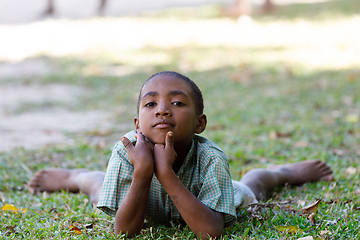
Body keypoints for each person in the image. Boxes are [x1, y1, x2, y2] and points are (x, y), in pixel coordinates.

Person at [29, 71, 333, 239]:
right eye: (151, 105)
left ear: (200, 123)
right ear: (137, 124)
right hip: (137, 198)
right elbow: (124, 232)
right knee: (99, 190)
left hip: (211, 204)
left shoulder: (211, 157)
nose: (162, 109)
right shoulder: (126, 152)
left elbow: (211, 232)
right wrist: (142, 172)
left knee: (252, 186)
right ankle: (77, 176)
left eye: (177, 103)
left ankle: (283, 172)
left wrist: (166, 174)